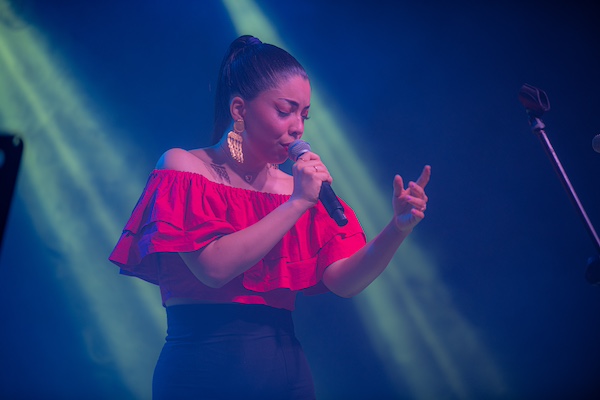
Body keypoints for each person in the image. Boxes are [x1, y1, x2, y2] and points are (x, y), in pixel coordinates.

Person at [109, 34, 430, 400]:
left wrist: (397, 229)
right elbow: (213, 269)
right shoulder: (184, 167)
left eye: (304, 115)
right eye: (285, 110)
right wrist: (295, 204)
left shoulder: (295, 190)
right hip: (201, 373)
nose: (298, 127)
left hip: (286, 375)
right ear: (240, 110)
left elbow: (343, 281)